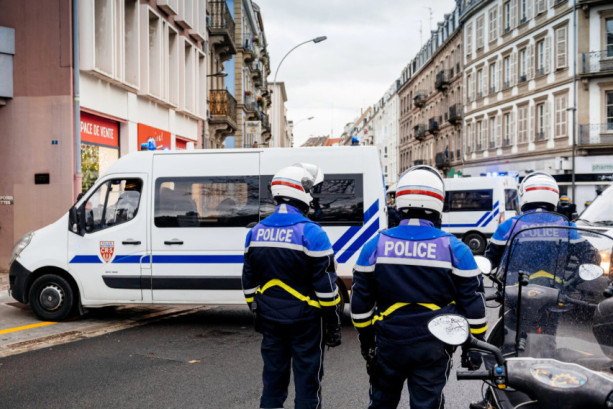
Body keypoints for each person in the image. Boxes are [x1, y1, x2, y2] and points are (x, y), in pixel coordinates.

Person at [351, 165, 487, 409]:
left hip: (389, 342)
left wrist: (367, 343)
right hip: (434, 345)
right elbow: (474, 309)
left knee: (381, 403)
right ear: (438, 204)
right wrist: (473, 349)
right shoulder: (457, 249)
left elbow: (360, 307)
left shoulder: (374, 246)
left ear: (400, 202)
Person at [242, 163, 342, 409]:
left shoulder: (255, 232)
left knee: (273, 381)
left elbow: (248, 281)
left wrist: (256, 310)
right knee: (308, 382)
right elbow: (326, 288)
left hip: (270, 318)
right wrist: (333, 323)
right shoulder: (313, 233)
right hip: (307, 321)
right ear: (301, 192)